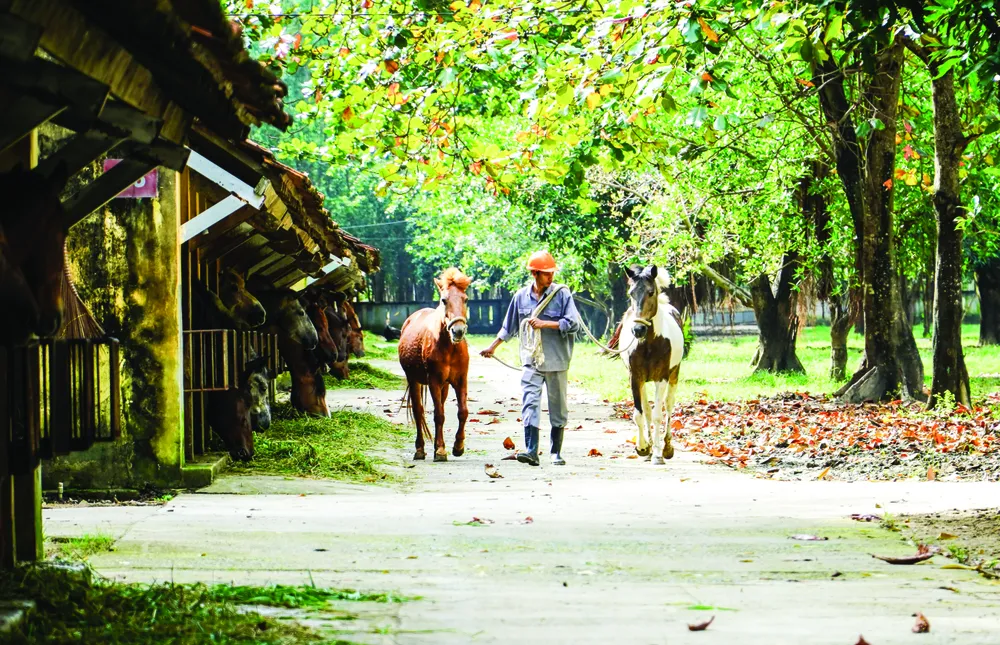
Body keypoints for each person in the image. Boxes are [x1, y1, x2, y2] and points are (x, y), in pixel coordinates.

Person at [480, 251, 581, 466]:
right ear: (535, 273)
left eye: (552, 273)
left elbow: (573, 324)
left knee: (558, 407)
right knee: (530, 403)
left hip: (557, 360)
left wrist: (546, 324)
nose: (550, 277)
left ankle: (556, 452)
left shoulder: (562, 294)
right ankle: (531, 450)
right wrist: (492, 347)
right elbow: (509, 327)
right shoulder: (520, 297)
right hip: (532, 361)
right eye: (546, 274)